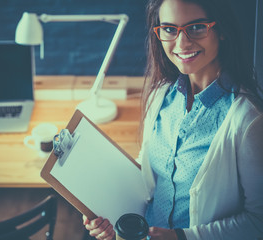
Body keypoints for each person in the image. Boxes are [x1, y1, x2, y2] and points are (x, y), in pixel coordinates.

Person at [83, 0, 263, 239]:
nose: (182, 43)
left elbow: (258, 223)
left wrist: (182, 236)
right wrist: (111, 216)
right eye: (169, 29)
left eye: (197, 27)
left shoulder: (248, 120)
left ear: (222, 31)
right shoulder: (160, 95)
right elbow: (151, 175)